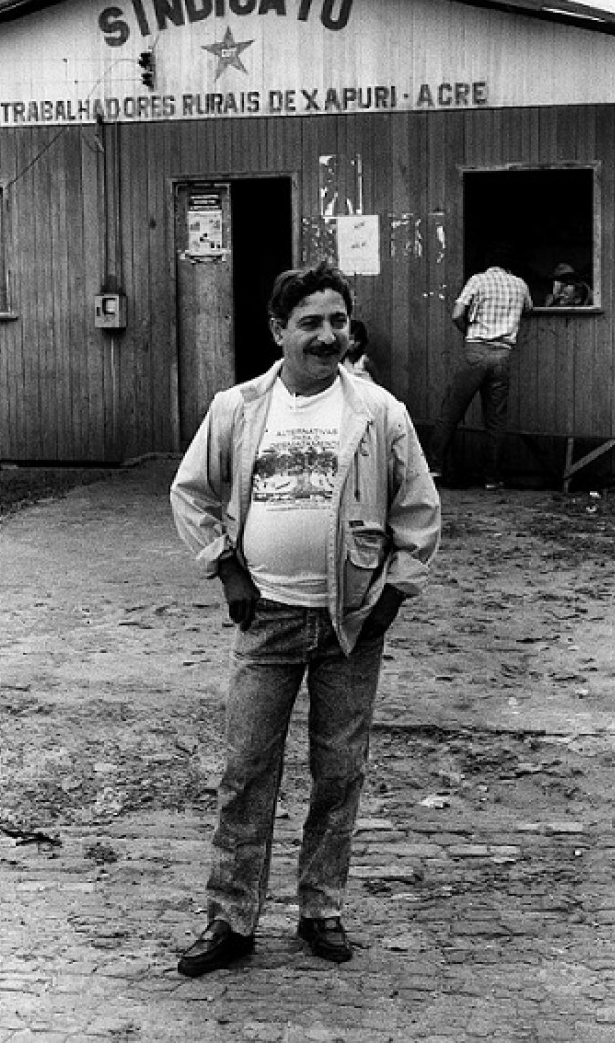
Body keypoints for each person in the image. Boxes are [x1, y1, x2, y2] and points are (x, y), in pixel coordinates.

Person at [170, 260, 440, 977]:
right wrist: (226, 570)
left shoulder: (379, 412)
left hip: (350, 626)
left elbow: (419, 514)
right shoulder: (238, 406)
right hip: (268, 622)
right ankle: (231, 918)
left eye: (338, 322)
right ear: (278, 330)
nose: (327, 337)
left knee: (339, 772)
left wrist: (388, 601)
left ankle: (321, 908)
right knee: (246, 770)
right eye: (311, 323)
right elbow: (191, 492)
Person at [428, 246, 533, 490]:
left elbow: (457, 314)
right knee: (495, 420)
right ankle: (492, 477)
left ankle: (434, 467)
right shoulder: (520, 284)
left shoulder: (478, 280)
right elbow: (529, 310)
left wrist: (469, 333)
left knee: (451, 410)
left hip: (476, 351)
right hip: (503, 354)